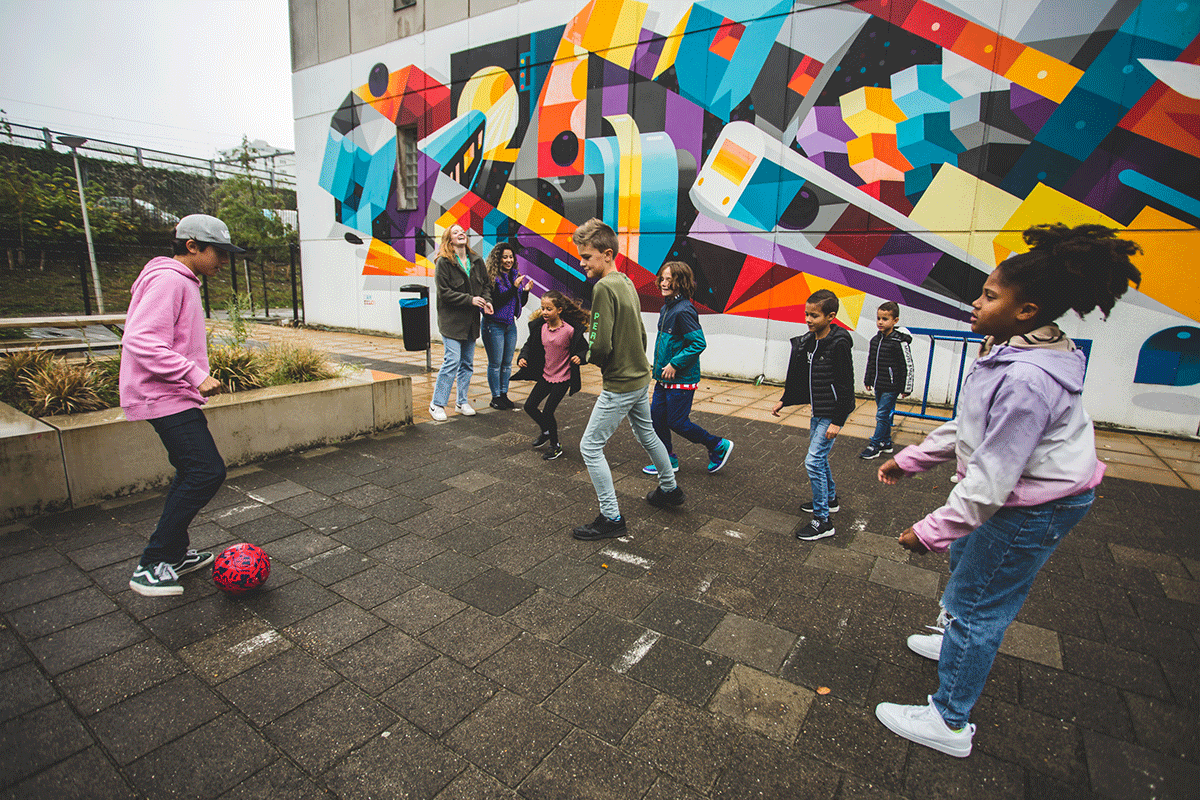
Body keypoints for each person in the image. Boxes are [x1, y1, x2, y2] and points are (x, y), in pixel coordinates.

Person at [873, 223, 1141, 758]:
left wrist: (928, 532)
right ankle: (955, 643)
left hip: (1035, 505)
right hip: (1026, 493)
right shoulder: (1012, 349)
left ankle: (948, 721)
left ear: (1027, 310)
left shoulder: (1026, 378)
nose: (975, 302)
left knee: (978, 605)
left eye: (989, 296)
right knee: (969, 562)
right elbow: (974, 425)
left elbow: (994, 477)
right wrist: (913, 458)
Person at [121, 214, 244, 597]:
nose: (223, 261)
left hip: (172, 394)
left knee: (192, 470)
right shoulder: (169, 280)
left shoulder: (181, 281)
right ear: (191, 246)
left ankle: (173, 553)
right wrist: (193, 374)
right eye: (218, 252)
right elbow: (140, 340)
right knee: (206, 472)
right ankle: (152, 563)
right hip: (163, 396)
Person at [573, 218, 683, 540]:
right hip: (639, 376)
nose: (582, 263)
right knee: (647, 434)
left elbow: (601, 342)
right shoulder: (625, 280)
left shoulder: (604, 287)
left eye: (587, 257)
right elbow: (639, 332)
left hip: (620, 382)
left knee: (590, 447)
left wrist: (591, 353)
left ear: (607, 254)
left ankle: (611, 518)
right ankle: (669, 489)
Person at [771, 289, 855, 541]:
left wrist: (838, 421)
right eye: (806, 314)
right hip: (818, 410)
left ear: (830, 316)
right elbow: (799, 376)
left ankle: (823, 521)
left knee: (813, 460)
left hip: (831, 412)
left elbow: (845, 385)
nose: (808, 319)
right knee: (820, 457)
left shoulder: (838, 345)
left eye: (814, 315)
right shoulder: (809, 341)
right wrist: (785, 400)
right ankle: (830, 499)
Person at [642, 261, 733, 476]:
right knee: (657, 418)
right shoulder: (667, 307)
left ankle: (717, 445)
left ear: (680, 282)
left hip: (681, 377)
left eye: (669, 279)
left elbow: (698, 343)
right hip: (664, 377)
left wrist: (675, 363)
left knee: (677, 422)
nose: (663, 283)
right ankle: (668, 460)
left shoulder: (683, 310)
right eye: (662, 279)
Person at [512, 290, 589, 461]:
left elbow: (584, 349)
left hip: (563, 378)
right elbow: (528, 345)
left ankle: (555, 445)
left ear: (559, 310)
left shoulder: (569, 330)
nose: (545, 312)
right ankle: (546, 431)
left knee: (548, 411)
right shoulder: (540, 328)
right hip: (546, 375)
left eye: (549, 309)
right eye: (543, 308)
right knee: (529, 406)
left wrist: (580, 357)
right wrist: (523, 357)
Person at [430, 224, 492, 421]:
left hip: (471, 322)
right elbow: (444, 293)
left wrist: (486, 302)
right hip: (451, 322)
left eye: (462, 231)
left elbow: (486, 286)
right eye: (455, 232)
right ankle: (437, 404)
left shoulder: (476, 261)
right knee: (452, 360)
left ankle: (461, 402)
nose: (461, 233)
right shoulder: (443, 263)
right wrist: (470, 300)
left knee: (467, 363)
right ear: (449, 240)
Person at [860, 301, 914, 459]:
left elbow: (907, 365)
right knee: (884, 414)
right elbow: (871, 361)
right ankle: (887, 442)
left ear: (895, 321)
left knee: (882, 415)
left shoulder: (899, 342)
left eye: (885, 319)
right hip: (878, 384)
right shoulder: (875, 340)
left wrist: (906, 388)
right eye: (878, 318)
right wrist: (868, 379)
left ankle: (875, 445)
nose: (880, 322)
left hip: (892, 386)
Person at [482, 241, 532, 410]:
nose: (508, 260)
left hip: (510, 325)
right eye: (505, 257)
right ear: (498, 259)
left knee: (507, 363)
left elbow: (518, 303)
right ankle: (495, 397)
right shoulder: (492, 278)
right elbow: (495, 302)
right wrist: (514, 288)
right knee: (495, 363)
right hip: (494, 325)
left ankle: (504, 394)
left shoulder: (514, 275)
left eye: (510, 257)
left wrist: (525, 291)